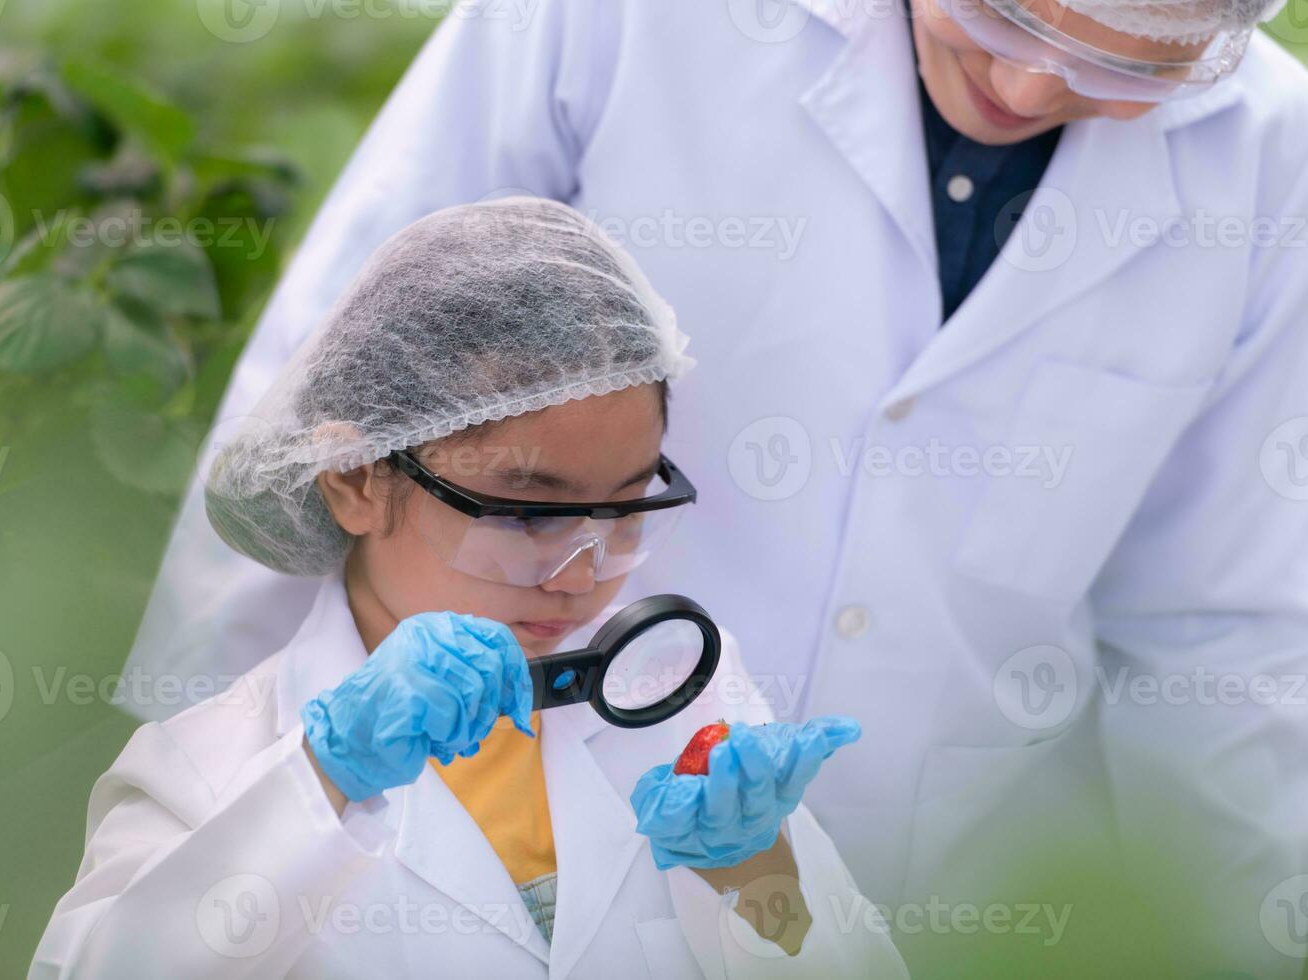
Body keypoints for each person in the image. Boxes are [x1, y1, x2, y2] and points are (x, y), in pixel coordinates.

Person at [124, 0, 1308, 972]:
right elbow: (346, 362)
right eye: (1003, 17)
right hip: (532, 762)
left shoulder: (1271, 160)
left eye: (1126, 65)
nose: (1032, 90)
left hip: (965, 871)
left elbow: (1227, 634)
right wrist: (252, 774)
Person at [31, 199, 909, 979]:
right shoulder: (211, 768)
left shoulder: (683, 711)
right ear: (354, 477)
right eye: (527, 512)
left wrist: (762, 885)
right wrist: (318, 785)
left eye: (629, 507)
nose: (585, 573)